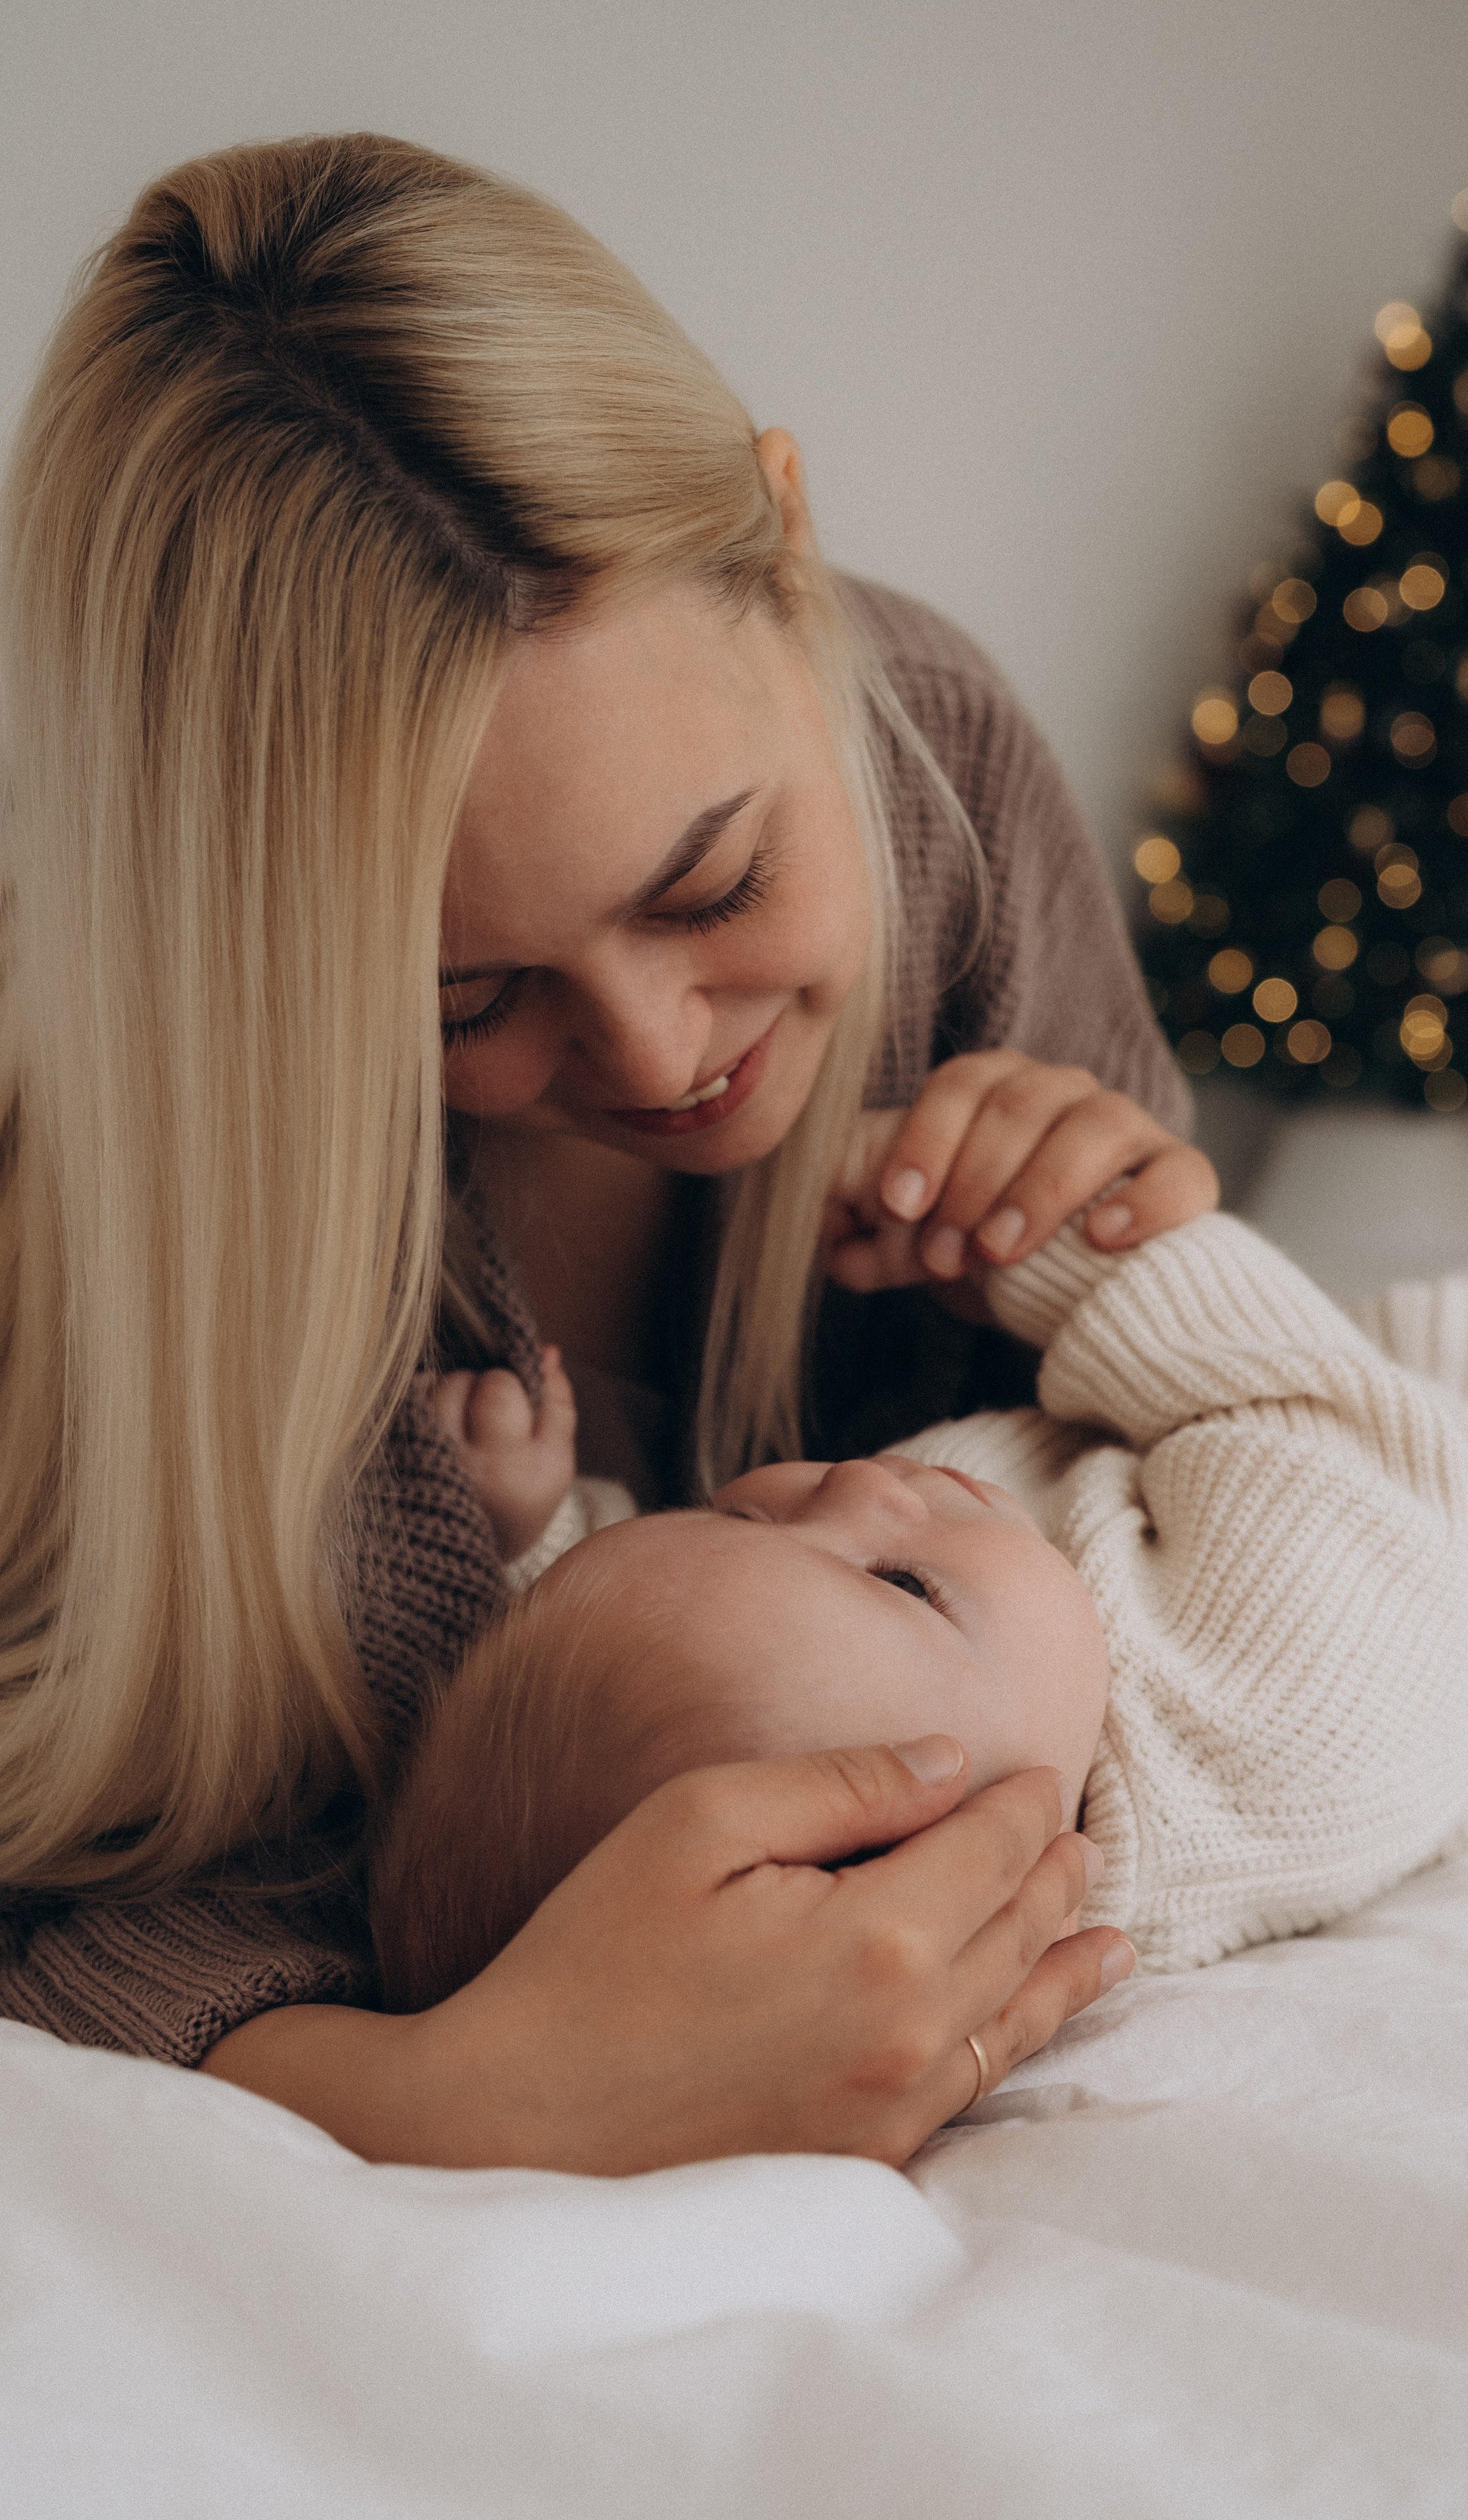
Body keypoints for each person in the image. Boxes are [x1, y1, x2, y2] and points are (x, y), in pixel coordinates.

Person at [0, 131, 1209, 2168]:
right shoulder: (91, 1129)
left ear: (790, 545)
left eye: (717, 881)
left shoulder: (947, 774)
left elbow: (1228, 1550)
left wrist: (1154, 1266)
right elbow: (67, 1874)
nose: (660, 1055)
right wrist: (439, 2100)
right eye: (464, 995)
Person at [371, 1214, 1468, 2091]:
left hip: (1173, 1483)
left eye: (743, 1516)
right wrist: (1069, 1247)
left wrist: (526, 1535)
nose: (855, 1482)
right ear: (977, 1863)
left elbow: (665, 1644)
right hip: (1460, 1478)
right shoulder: (1260, 1721)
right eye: (901, 1584)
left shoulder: (960, 1684)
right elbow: (1318, 1422)